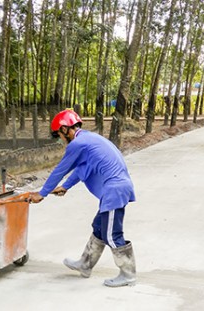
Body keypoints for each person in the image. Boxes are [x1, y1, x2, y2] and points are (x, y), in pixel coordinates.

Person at [28, 109, 136, 287]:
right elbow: (82, 169)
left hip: (114, 190)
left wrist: (42, 193)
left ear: (64, 129)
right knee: (99, 227)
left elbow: (60, 170)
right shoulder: (89, 140)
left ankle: (128, 274)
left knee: (111, 234)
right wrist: (65, 187)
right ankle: (85, 264)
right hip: (114, 189)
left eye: (59, 135)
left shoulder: (77, 144)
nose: (61, 140)